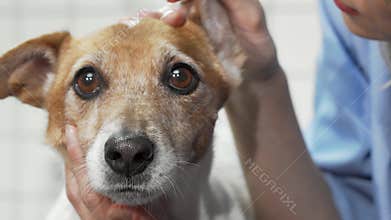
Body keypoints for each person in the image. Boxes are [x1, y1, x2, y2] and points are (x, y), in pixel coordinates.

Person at [64, 0, 391, 219]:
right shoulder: (349, 20)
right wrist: (258, 78)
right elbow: (349, 206)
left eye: (179, 78)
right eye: (89, 82)